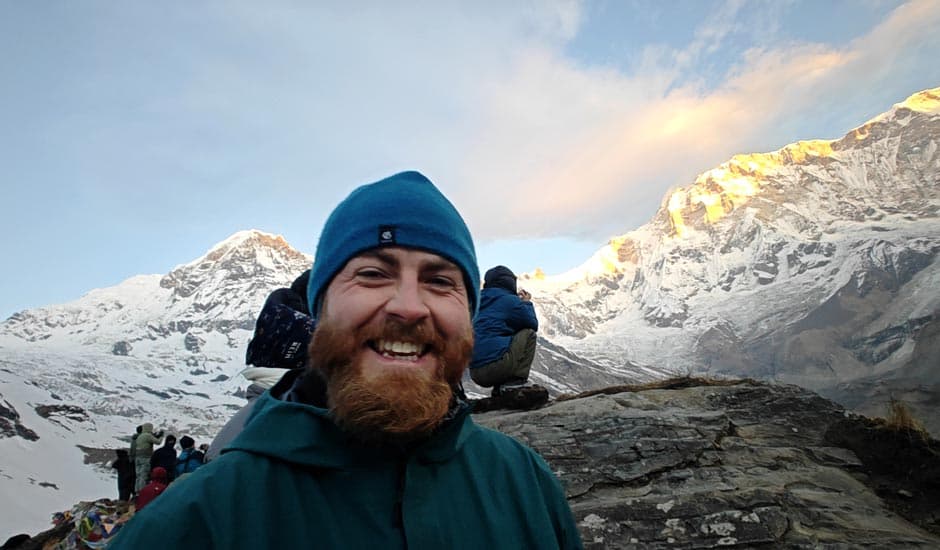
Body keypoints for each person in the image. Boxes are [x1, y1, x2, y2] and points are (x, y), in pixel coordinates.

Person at [111, 171, 582, 549]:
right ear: (321, 309)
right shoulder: (196, 522)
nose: (409, 306)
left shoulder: (524, 483)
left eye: (441, 281)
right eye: (374, 274)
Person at [469, 265, 540, 396]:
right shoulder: (509, 300)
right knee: (528, 333)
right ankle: (515, 383)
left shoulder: (476, 301)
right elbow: (532, 323)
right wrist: (526, 303)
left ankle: (500, 388)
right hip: (496, 368)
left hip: (474, 372)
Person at [132, 423, 163, 493]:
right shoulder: (148, 435)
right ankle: (142, 491)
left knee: (138, 475)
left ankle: (137, 491)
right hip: (146, 457)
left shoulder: (140, 436)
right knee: (144, 475)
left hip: (138, 457)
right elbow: (158, 442)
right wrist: (161, 436)